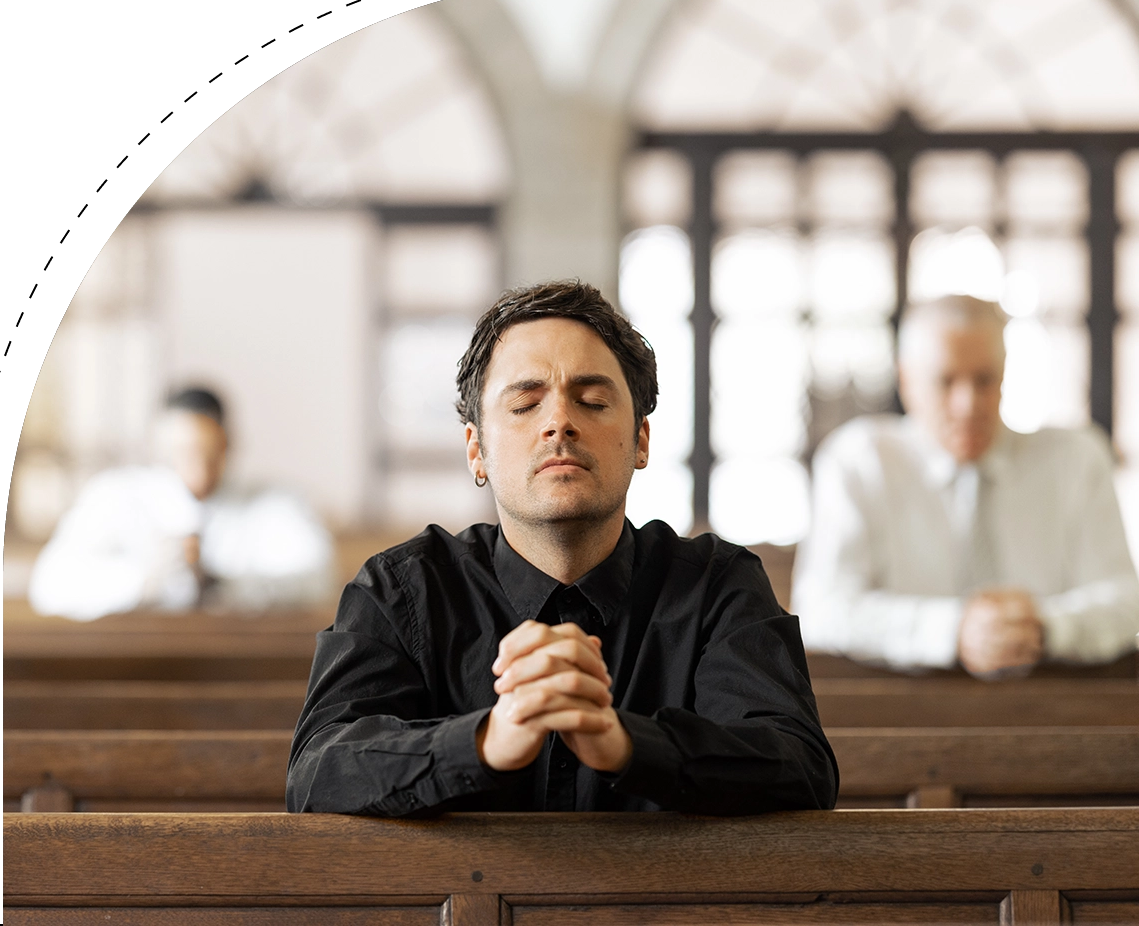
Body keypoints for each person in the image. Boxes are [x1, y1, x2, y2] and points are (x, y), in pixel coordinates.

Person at [287, 281, 837, 817]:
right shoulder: (400, 591)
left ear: (641, 440)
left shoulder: (718, 587)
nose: (560, 424)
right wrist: (484, 741)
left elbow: (799, 765)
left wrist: (625, 744)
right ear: (476, 450)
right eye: (525, 404)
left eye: (593, 400)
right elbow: (317, 771)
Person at [792, 295, 1139, 677]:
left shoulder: (1078, 459)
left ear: (1005, 373)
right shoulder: (858, 461)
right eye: (946, 381)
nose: (968, 404)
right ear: (906, 380)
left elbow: (1125, 601)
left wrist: (1044, 626)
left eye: (984, 379)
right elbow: (821, 610)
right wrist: (951, 630)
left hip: (1056, 712)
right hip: (906, 715)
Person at [28, 387, 334, 620]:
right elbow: (49, 584)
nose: (198, 467)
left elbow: (319, 579)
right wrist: (144, 580)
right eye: (183, 451)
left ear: (228, 444)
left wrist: (225, 586)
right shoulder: (113, 495)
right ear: (158, 448)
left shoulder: (278, 503)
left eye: (208, 452)